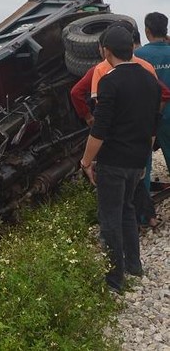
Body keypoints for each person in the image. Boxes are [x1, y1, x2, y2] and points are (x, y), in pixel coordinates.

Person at [80, 25, 161, 293]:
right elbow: (152, 126)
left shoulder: (109, 81)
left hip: (113, 162)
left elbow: (99, 130)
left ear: (106, 51)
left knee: (110, 218)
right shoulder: (150, 79)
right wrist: (143, 159)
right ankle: (134, 266)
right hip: (137, 160)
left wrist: (86, 162)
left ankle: (114, 281)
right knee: (127, 211)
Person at [71, 21, 168, 228]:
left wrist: (86, 159)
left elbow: (86, 103)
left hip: (113, 145)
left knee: (113, 211)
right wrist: (151, 118)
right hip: (142, 137)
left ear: (105, 50)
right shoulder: (146, 68)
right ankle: (146, 217)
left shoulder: (100, 71)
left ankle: (121, 241)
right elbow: (163, 93)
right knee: (142, 175)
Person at [134, 13, 170, 191]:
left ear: (147, 31)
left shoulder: (138, 55)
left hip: (147, 118)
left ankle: (144, 213)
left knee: (143, 166)